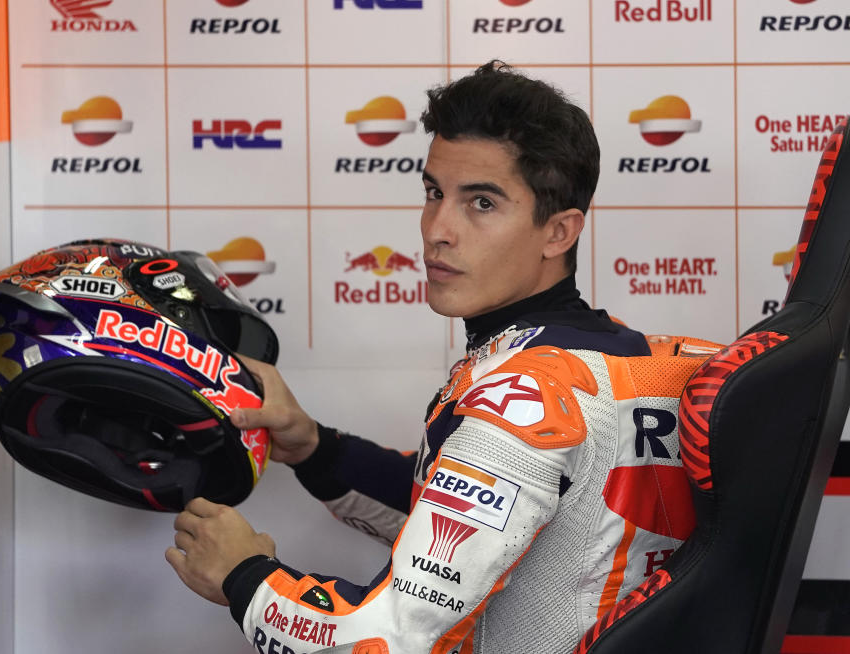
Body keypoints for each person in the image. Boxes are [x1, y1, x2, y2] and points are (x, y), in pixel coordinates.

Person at [166, 61, 710, 654]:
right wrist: (314, 447)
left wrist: (243, 576)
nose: (437, 230)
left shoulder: (527, 395)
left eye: (481, 202)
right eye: (434, 193)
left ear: (559, 232)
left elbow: (385, 639)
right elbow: (466, 525)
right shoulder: (632, 359)